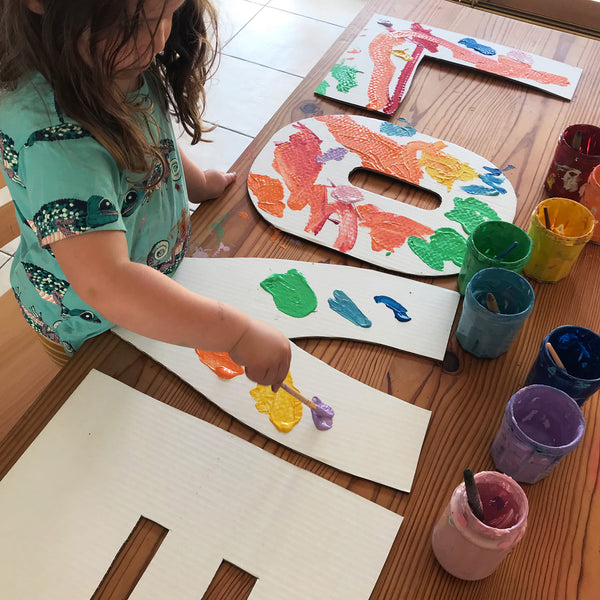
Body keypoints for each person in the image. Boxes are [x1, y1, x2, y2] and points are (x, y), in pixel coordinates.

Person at [0, 0, 291, 387]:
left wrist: (197, 181)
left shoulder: (114, 61)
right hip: (89, 325)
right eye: (139, 22)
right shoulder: (56, 142)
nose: (158, 40)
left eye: (169, 14)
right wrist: (236, 334)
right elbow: (106, 282)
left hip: (151, 290)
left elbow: (151, 140)